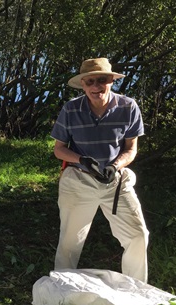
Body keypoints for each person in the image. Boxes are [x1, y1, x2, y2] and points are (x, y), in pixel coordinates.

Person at [50, 58, 149, 283]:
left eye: (102, 80)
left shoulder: (128, 106)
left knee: (138, 236)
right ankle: (62, 289)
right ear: (83, 85)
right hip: (78, 179)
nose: (96, 86)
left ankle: (136, 290)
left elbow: (131, 148)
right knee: (69, 242)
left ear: (112, 81)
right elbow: (59, 150)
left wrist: (116, 166)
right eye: (90, 81)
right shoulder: (71, 109)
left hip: (115, 182)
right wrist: (82, 160)